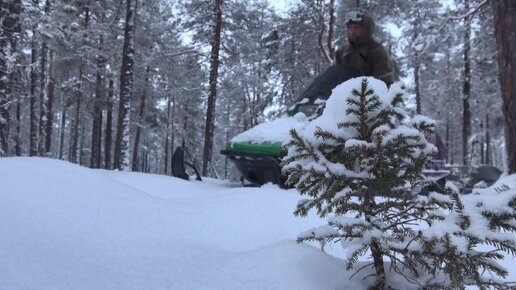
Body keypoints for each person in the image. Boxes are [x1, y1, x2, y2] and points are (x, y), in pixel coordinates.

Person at [334, 11, 396, 86]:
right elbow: (333, 77)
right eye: (350, 28)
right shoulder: (342, 52)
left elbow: (384, 80)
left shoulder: (377, 51)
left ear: (365, 29)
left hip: (368, 95)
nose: (352, 31)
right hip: (343, 95)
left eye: (356, 28)